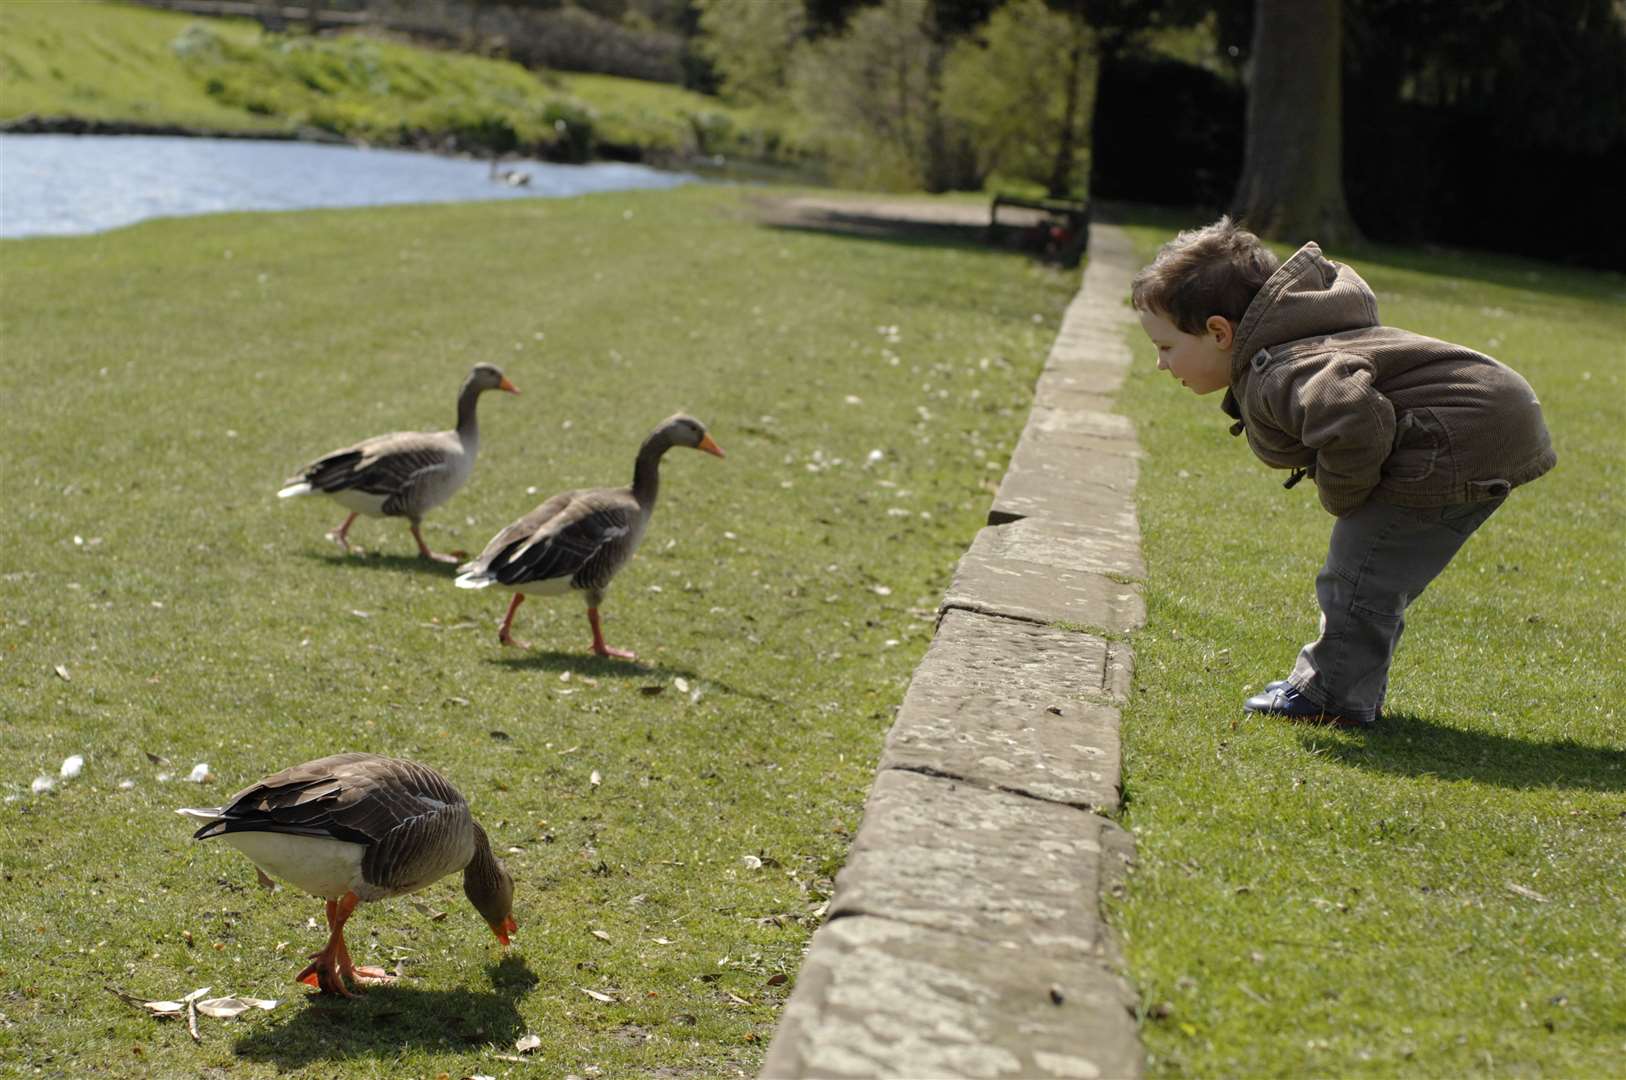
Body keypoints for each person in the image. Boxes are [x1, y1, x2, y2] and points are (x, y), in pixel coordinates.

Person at [1130, 218, 1555, 727]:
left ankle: (1331, 694)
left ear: (1219, 332)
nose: (1160, 364)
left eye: (1166, 347)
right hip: (1489, 421)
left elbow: (1355, 417)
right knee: (1375, 574)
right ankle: (1346, 688)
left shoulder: (1280, 370)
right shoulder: (1296, 343)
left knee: (1359, 570)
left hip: (1451, 436)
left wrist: (1343, 496)